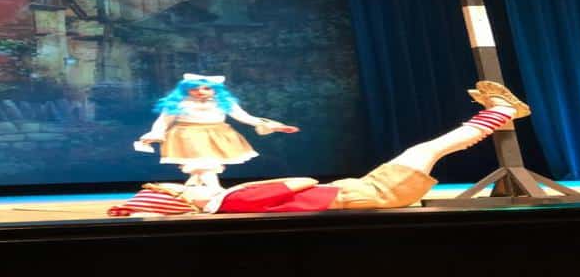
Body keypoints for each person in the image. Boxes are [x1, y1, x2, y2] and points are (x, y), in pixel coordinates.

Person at [111, 80, 529, 216]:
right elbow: (303, 180)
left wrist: (269, 125)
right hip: (370, 192)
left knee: (431, 148)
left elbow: (246, 118)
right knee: (432, 147)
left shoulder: (232, 202)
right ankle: (503, 111)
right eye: (178, 190)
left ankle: (499, 113)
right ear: (187, 201)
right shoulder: (236, 200)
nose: (182, 184)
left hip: (365, 190)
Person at [133, 73, 300, 194]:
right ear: (186, 90)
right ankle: (215, 189)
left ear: (216, 90)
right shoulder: (179, 103)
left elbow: (244, 117)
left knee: (203, 165)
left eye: (207, 88)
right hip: (188, 135)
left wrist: (273, 126)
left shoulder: (223, 102)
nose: (201, 91)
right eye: (194, 89)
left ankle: (194, 185)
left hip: (217, 135)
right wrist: (155, 133)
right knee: (204, 163)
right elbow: (163, 121)